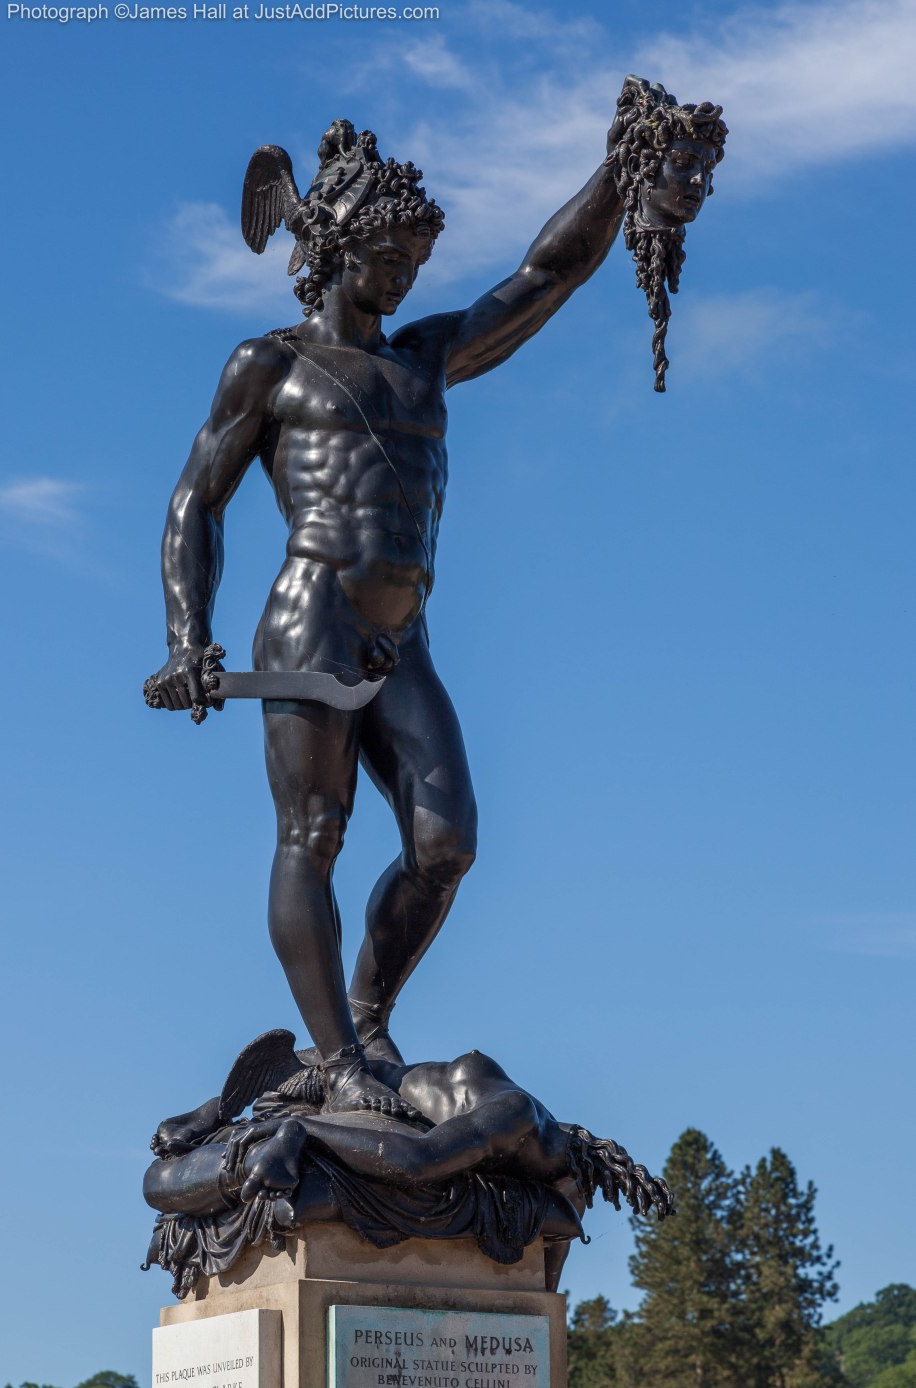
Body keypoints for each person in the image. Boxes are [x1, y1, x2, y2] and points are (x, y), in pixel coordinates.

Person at [144, 100, 723, 1121]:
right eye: (387, 253)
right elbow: (196, 500)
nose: (405, 274)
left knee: (446, 838)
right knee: (313, 830)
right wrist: (187, 637)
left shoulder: (422, 360)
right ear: (334, 246)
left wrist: (615, 172)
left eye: (415, 256)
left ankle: (365, 1016)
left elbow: (542, 277)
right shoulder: (267, 365)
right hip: (311, 615)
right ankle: (334, 1056)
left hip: (403, 628)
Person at [143, 1042, 672, 1294]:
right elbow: (419, 1163)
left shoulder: (539, 1147)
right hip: (368, 1096)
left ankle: (228, 1115)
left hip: (371, 1090)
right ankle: (230, 1111)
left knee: (168, 1182)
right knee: (347, 1078)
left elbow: (552, 1270)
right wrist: (300, 1132)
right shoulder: (514, 1117)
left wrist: (544, 1308)